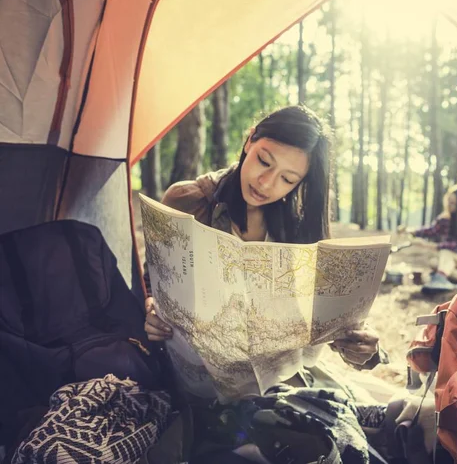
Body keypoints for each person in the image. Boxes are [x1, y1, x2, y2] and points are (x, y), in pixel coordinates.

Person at [143, 105, 387, 400]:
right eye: (264, 161)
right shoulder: (188, 200)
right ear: (249, 140)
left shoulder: (297, 228)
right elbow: (153, 281)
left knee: (378, 414)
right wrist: (152, 309)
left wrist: (360, 346)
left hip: (279, 381)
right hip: (201, 385)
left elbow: (326, 318)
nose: (267, 183)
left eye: (288, 180)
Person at [400, 183, 457, 293]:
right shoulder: (446, 220)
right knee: (434, 262)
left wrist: (430, 246)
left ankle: (440, 278)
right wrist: (410, 231)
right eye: (449, 201)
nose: (449, 205)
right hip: (455, 263)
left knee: (445, 253)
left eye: (453, 203)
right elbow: (431, 230)